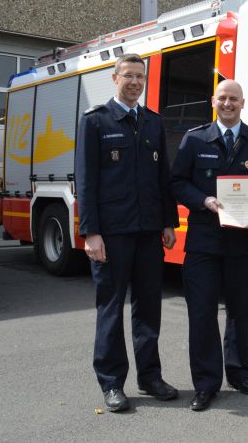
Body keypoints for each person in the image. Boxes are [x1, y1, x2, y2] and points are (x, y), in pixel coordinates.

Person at [76, 53, 179, 413]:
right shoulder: (96, 122)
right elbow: (86, 181)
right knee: (110, 308)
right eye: (129, 76)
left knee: (149, 308)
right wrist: (90, 232)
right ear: (114, 78)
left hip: (149, 232)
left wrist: (169, 222)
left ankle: (150, 377)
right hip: (112, 234)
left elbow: (162, 178)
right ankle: (112, 383)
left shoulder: (152, 122)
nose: (135, 82)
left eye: (140, 76)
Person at [170, 79, 248, 412]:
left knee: (240, 313)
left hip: (244, 242)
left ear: (243, 103)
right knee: (202, 314)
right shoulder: (195, 139)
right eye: (222, 98)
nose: (228, 104)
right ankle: (205, 384)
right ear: (212, 101)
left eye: (234, 99)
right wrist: (202, 199)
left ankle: (239, 372)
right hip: (203, 242)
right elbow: (177, 182)